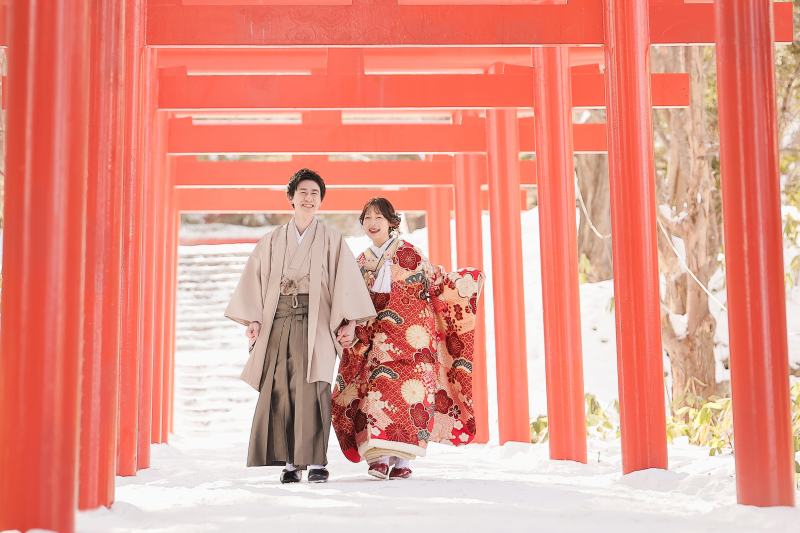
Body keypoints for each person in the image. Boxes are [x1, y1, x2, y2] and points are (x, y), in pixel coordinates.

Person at [225, 169, 376, 484]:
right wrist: (254, 320)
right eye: (303, 192)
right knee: (282, 388)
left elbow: (346, 282)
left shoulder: (332, 239)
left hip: (318, 319)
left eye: (315, 194)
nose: (309, 198)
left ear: (320, 201)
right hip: (279, 319)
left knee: (316, 387)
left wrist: (349, 321)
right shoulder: (271, 240)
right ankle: (291, 462)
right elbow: (256, 282)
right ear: (290, 198)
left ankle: (317, 461)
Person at [331, 197, 484, 480]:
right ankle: (378, 459)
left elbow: (437, 283)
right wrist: (349, 324)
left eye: (379, 217)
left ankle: (402, 461)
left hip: (415, 341)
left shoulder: (411, 253)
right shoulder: (361, 262)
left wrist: (467, 280)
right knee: (377, 396)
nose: (372, 223)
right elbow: (349, 300)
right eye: (367, 218)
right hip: (378, 341)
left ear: (392, 222)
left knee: (411, 398)